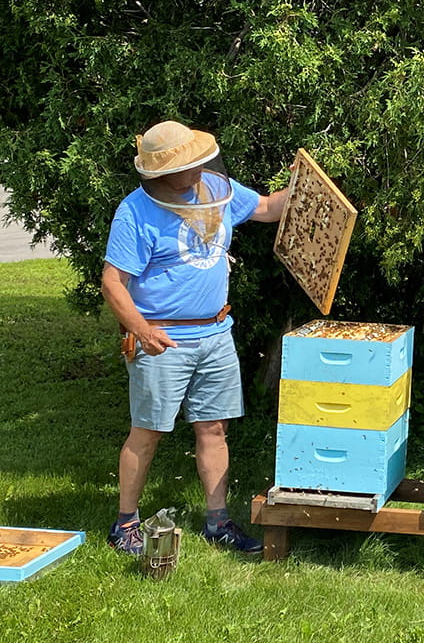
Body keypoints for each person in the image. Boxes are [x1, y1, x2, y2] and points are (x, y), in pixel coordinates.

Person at [101, 120, 290, 555]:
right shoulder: (135, 212)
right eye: (188, 163)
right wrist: (142, 330)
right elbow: (113, 281)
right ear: (159, 173)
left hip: (216, 332)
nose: (199, 167)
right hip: (163, 338)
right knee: (146, 432)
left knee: (214, 428)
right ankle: (125, 524)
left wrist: (305, 184)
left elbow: (265, 207)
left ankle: (218, 521)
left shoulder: (213, 188)